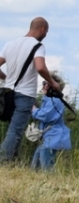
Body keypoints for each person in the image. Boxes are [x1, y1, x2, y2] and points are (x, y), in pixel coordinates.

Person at [0, 17, 60, 162]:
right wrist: (52, 82)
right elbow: (40, 67)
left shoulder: (10, 44)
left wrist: (6, 78)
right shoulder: (38, 46)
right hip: (25, 93)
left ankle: (12, 160)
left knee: (13, 128)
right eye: (46, 32)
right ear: (43, 29)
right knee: (16, 129)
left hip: (7, 92)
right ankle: (3, 160)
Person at [30, 77, 71, 171]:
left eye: (47, 84)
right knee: (36, 167)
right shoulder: (49, 100)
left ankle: (51, 183)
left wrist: (33, 109)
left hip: (53, 137)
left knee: (46, 168)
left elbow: (45, 116)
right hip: (49, 137)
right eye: (44, 83)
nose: (44, 86)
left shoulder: (54, 101)